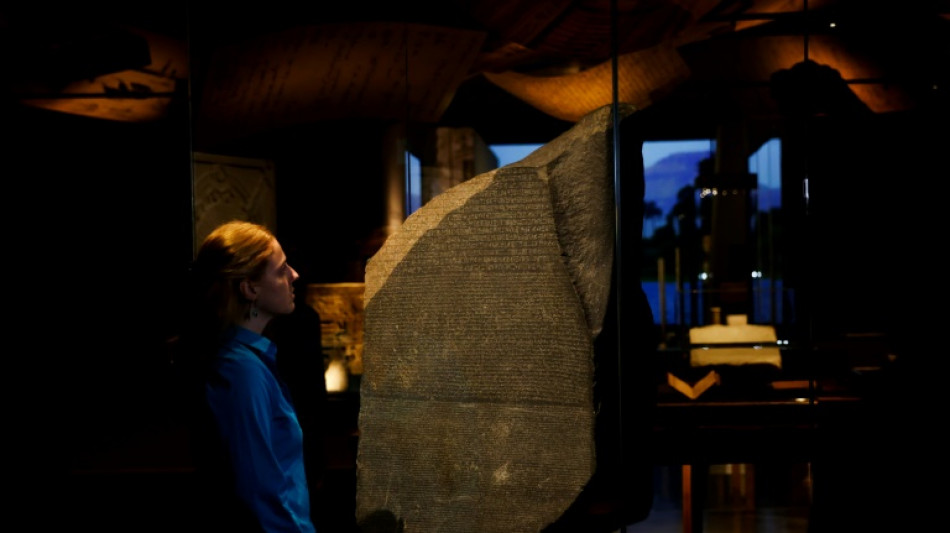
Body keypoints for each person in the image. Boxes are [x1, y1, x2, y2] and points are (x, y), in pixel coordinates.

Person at [180, 220, 316, 533]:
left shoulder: (250, 361)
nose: (294, 275)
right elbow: (257, 492)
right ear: (250, 288)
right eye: (281, 270)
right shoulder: (241, 372)